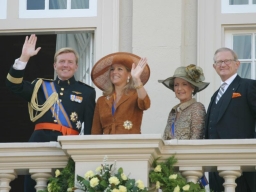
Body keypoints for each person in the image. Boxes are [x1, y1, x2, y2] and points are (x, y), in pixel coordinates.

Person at [6, 34, 96, 192]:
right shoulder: (40, 86)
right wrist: (24, 58)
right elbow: (13, 85)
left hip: (68, 145)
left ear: (76, 66)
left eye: (70, 62)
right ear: (55, 65)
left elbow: (89, 129)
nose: (65, 65)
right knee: (34, 187)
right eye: (61, 61)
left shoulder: (86, 92)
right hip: (39, 141)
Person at [205, 47, 256, 192]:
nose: (223, 64)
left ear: (237, 64)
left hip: (242, 165)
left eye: (227, 60)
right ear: (214, 67)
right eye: (219, 62)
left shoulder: (248, 86)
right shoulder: (215, 95)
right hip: (216, 166)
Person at [91, 52, 150, 134]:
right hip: (107, 145)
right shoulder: (101, 101)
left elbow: (145, 104)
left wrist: (137, 79)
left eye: (120, 69)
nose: (114, 72)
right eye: (112, 69)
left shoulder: (135, 95)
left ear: (129, 75)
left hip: (130, 144)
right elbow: (95, 131)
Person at [159, 64, 209, 140]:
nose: (179, 88)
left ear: (192, 87)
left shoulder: (197, 107)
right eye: (176, 85)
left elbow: (196, 139)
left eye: (184, 84)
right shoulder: (173, 111)